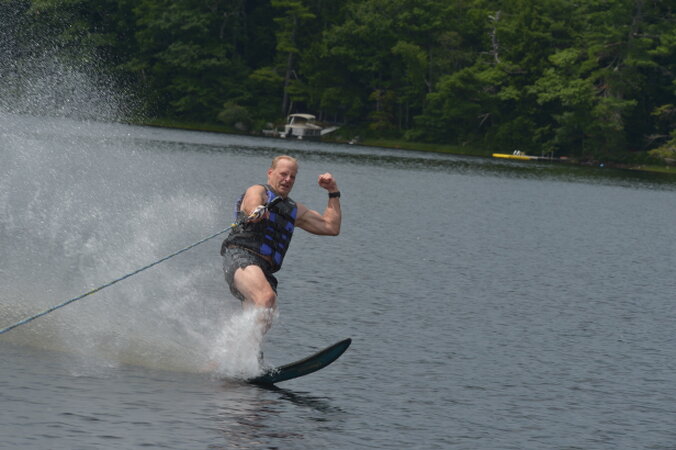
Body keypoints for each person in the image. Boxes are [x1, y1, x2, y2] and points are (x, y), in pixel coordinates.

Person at [221, 155, 341, 334]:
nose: (288, 179)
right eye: (284, 174)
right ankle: (246, 348)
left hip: (265, 270)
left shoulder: (294, 209)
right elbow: (252, 202)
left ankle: (237, 350)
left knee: (266, 314)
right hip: (240, 257)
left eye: (292, 176)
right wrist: (257, 209)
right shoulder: (258, 191)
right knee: (266, 297)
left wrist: (333, 191)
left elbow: (331, 227)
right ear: (270, 173)